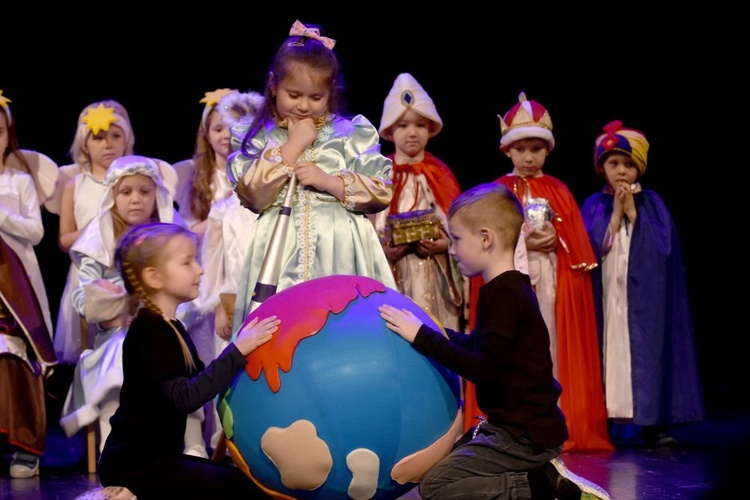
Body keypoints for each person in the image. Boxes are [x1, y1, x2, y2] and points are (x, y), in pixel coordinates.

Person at [378, 182, 610, 500]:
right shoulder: (505, 290)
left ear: (486, 238)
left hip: (524, 435)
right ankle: (538, 474)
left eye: (457, 239)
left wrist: (423, 338)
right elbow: (484, 346)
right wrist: (439, 332)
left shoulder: (505, 296)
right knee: (444, 468)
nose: (453, 249)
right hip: (513, 428)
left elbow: (485, 369)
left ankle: (546, 487)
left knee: (435, 486)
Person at [228, 20, 395, 332]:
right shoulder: (257, 136)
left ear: (329, 93)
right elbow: (251, 193)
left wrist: (330, 181)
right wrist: (293, 145)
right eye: (294, 94)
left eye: (315, 97)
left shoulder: (348, 134)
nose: (304, 106)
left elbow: (381, 189)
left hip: (340, 250)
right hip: (278, 251)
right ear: (273, 84)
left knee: (341, 331)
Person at [97, 221, 278, 499]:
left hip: (157, 458)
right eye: (187, 262)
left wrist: (243, 353)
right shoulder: (149, 330)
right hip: (135, 464)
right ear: (154, 277)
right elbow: (186, 396)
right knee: (239, 490)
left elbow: (202, 380)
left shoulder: (171, 326)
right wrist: (237, 352)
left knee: (238, 481)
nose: (200, 269)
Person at [493, 92, 612, 453]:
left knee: (550, 346)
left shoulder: (559, 190)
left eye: (536, 149)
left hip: (552, 285)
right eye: (521, 149)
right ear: (508, 151)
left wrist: (555, 240)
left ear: (547, 150)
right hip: (515, 282)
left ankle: (555, 418)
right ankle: (513, 422)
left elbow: (576, 248)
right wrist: (525, 244)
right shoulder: (499, 191)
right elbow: (492, 241)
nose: (528, 157)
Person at [580, 120, 704, 447]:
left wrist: (633, 213)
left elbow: (662, 252)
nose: (621, 171)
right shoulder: (594, 206)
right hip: (608, 295)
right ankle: (608, 420)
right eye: (614, 163)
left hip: (643, 300)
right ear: (601, 167)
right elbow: (589, 249)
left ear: (639, 168)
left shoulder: (653, 204)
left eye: (629, 164)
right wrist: (616, 217)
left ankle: (653, 422)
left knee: (647, 351)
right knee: (611, 350)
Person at [59, 155, 182, 454]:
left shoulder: (170, 235)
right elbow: (82, 297)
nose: (136, 200)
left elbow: (189, 286)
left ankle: (187, 448)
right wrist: (113, 306)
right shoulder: (98, 239)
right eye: (126, 192)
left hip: (164, 333)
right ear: (113, 196)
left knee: (176, 360)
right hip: (114, 337)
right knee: (121, 356)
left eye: (144, 191)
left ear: (157, 195)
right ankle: (115, 451)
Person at [175, 88, 264, 453]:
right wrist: (217, 305)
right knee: (225, 368)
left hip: (271, 303)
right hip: (230, 302)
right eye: (222, 130)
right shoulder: (222, 208)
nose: (230, 139)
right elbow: (216, 263)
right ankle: (223, 443)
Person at [371, 72, 466, 332]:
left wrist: (445, 246)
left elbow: (460, 230)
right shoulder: (379, 175)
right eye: (403, 125)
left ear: (430, 128)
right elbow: (366, 232)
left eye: (420, 125)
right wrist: (383, 249)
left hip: (436, 278)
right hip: (394, 276)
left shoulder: (441, 174)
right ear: (390, 130)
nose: (412, 133)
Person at [49, 100, 134, 365]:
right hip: (87, 274)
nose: (107, 144)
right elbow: (64, 239)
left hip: (124, 271)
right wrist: (98, 225)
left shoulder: (131, 181)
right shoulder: (75, 184)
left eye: (115, 136)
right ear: (85, 143)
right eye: (98, 138)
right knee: (91, 352)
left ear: (126, 139)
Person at [0, 91, 58, 479]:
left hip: (13, 287)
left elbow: (35, 232)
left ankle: (25, 444)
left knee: (15, 357)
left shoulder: (18, 181)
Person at [0, 91, 55, 335]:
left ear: (7, 136)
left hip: (18, 274)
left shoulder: (20, 181)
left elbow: (36, 232)